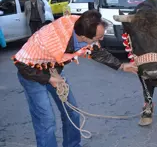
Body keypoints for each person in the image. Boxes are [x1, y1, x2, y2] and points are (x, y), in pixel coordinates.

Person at [12, 10, 138, 147]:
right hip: (31, 72)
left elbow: (95, 50)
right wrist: (49, 78)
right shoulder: (51, 39)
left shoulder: (82, 24)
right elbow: (21, 64)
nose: (101, 39)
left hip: (53, 69)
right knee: (46, 121)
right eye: (99, 37)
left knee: (73, 113)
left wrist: (121, 66)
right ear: (84, 37)